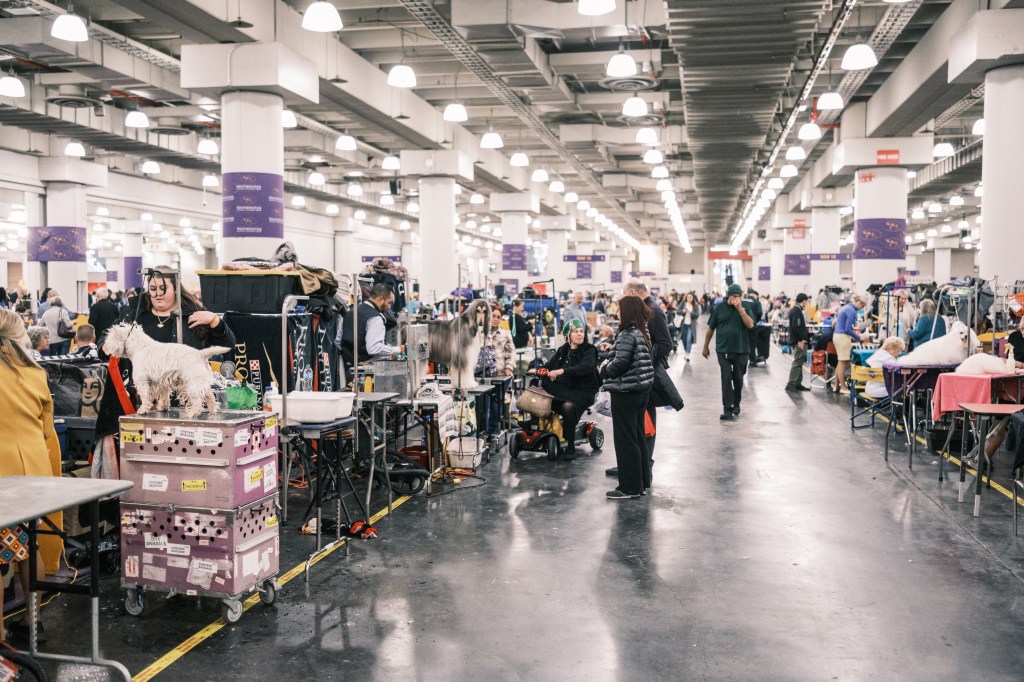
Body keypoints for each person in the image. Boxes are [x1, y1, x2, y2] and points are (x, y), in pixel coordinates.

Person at [94, 268, 236, 442]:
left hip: (186, 408)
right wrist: (105, 347)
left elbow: (228, 345)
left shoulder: (194, 312)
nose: (158, 294)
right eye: (153, 289)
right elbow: (107, 338)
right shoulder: (133, 312)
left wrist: (215, 321)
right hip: (140, 405)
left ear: (176, 288)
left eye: (163, 289)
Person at [0, 308, 63, 643]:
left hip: (2, 473)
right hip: (33, 471)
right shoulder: (35, 371)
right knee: (28, 544)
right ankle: (32, 621)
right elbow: (48, 430)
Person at [600, 296, 654, 499]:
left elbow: (620, 364)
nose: (617, 312)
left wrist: (604, 369)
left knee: (626, 441)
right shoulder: (642, 331)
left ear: (628, 311)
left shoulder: (627, 334)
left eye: (620, 309)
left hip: (626, 392)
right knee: (637, 437)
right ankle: (642, 481)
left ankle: (629, 487)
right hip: (641, 392)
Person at [539, 318, 601, 461]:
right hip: (565, 389)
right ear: (568, 335)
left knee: (568, 407)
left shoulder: (590, 349)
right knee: (542, 390)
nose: (580, 334)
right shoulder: (563, 349)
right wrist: (539, 369)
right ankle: (551, 434)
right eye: (575, 332)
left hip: (584, 390)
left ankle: (571, 446)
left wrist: (562, 371)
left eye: (581, 331)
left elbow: (585, 368)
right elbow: (549, 365)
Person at [702, 283, 755, 421]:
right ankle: (727, 408)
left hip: (741, 350)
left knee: (738, 378)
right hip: (723, 350)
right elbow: (711, 328)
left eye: (739, 296)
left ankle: (736, 402)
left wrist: (740, 309)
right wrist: (705, 346)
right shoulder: (719, 308)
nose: (736, 299)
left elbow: (750, 325)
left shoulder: (745, 307)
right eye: (734, 296)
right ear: (728, 296)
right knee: (726, 378)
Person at [340, 284, 403, 377]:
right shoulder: (375, 318)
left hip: (346, 367)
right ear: (380, 299)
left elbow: (338, 340)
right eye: (389, 303)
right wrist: (397, 349)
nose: (389, 307)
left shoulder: (350, 312)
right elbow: (374, 348)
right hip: (363, 371)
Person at [479, 305, 515, 441]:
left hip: (500, 373)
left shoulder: (505, 334)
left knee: (496, 403)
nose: (495, 319)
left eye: (498, 317)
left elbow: (512, 352)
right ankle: (480, 431)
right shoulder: (479, 332)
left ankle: (493, 432)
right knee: (481, 403)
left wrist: (509, 368)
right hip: (481, 374)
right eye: (493, 316)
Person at [834, 295, 867, 396]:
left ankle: (837, 386)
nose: (862, 308)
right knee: (843, 363)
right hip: (843, 337)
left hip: (837, 335)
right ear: (858, 302)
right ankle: (843, 387)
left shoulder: (846, 307)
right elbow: (847, 329)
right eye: (862, 305)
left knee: (840, 362)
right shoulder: (851, 311)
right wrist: (859, 338)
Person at [785, 293, 811, 392]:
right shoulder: (797, 311)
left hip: (798, 340)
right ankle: (791, 384)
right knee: (797, 361)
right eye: (807, 301)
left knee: (800, 362)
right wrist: (800, 340)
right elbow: (796, 327)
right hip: (798, 341)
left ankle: (797, 383)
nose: (807, 303)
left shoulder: (796, 310)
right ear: (803, 301)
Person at [677, 292, 699, 361]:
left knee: (689, 339)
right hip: (683, 325)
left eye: (691, 297)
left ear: (693, 298)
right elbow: (677, 311)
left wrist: (690, 312)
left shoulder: (695, 305)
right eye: (688, 297)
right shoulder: (683, 304)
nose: (689, 298)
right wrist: (683, 310)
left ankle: (687, 354)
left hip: (691, 325)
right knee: (683, 339)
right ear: (686, 297)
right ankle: (686, 351)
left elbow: (697, 315)